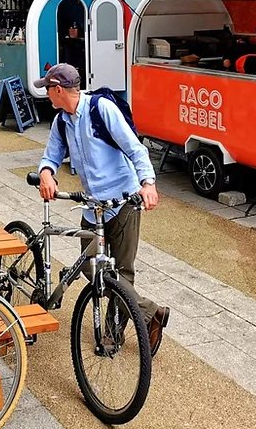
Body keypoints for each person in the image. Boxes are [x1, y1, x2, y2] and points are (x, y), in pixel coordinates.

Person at [35, 63, 170, 356]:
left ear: (58, 90)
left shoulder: (101, 109)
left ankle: (113, 333)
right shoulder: (62, 121)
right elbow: (51, 156)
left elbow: (136, 149)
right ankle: (150, 312)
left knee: (122, 271)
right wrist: (46, 173)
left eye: (47, 89)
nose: (46, 94)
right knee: (90, 266)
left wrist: (148, 183)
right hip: (91, 206)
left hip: (122, 202)